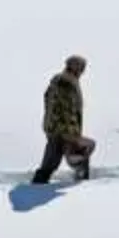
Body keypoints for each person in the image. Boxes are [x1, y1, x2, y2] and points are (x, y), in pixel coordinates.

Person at [31, 54, 95, 184]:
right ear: (75, 67)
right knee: (77, 155)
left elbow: (49, 101)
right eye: (82, 67)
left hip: (56, 129)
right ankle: (82, 183)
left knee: (51, 162)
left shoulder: (61, 81)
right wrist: (71, 134)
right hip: (63, 131)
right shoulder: (66, 83)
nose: (83, 71)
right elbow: (67, 111)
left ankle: (38, 185)